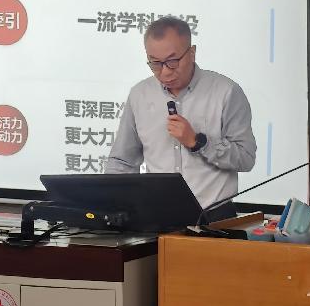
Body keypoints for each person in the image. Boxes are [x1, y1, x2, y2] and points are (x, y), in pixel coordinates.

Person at [105, 16, 256, 216]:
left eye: (172, 61)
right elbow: (122, 162)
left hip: (214, 216)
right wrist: (112, 206)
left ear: (192, 53)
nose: (165, 72)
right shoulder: (140, 95)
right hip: (158, 215)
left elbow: (246, 158)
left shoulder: (226, 92)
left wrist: (198, 143)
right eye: (155, 63)